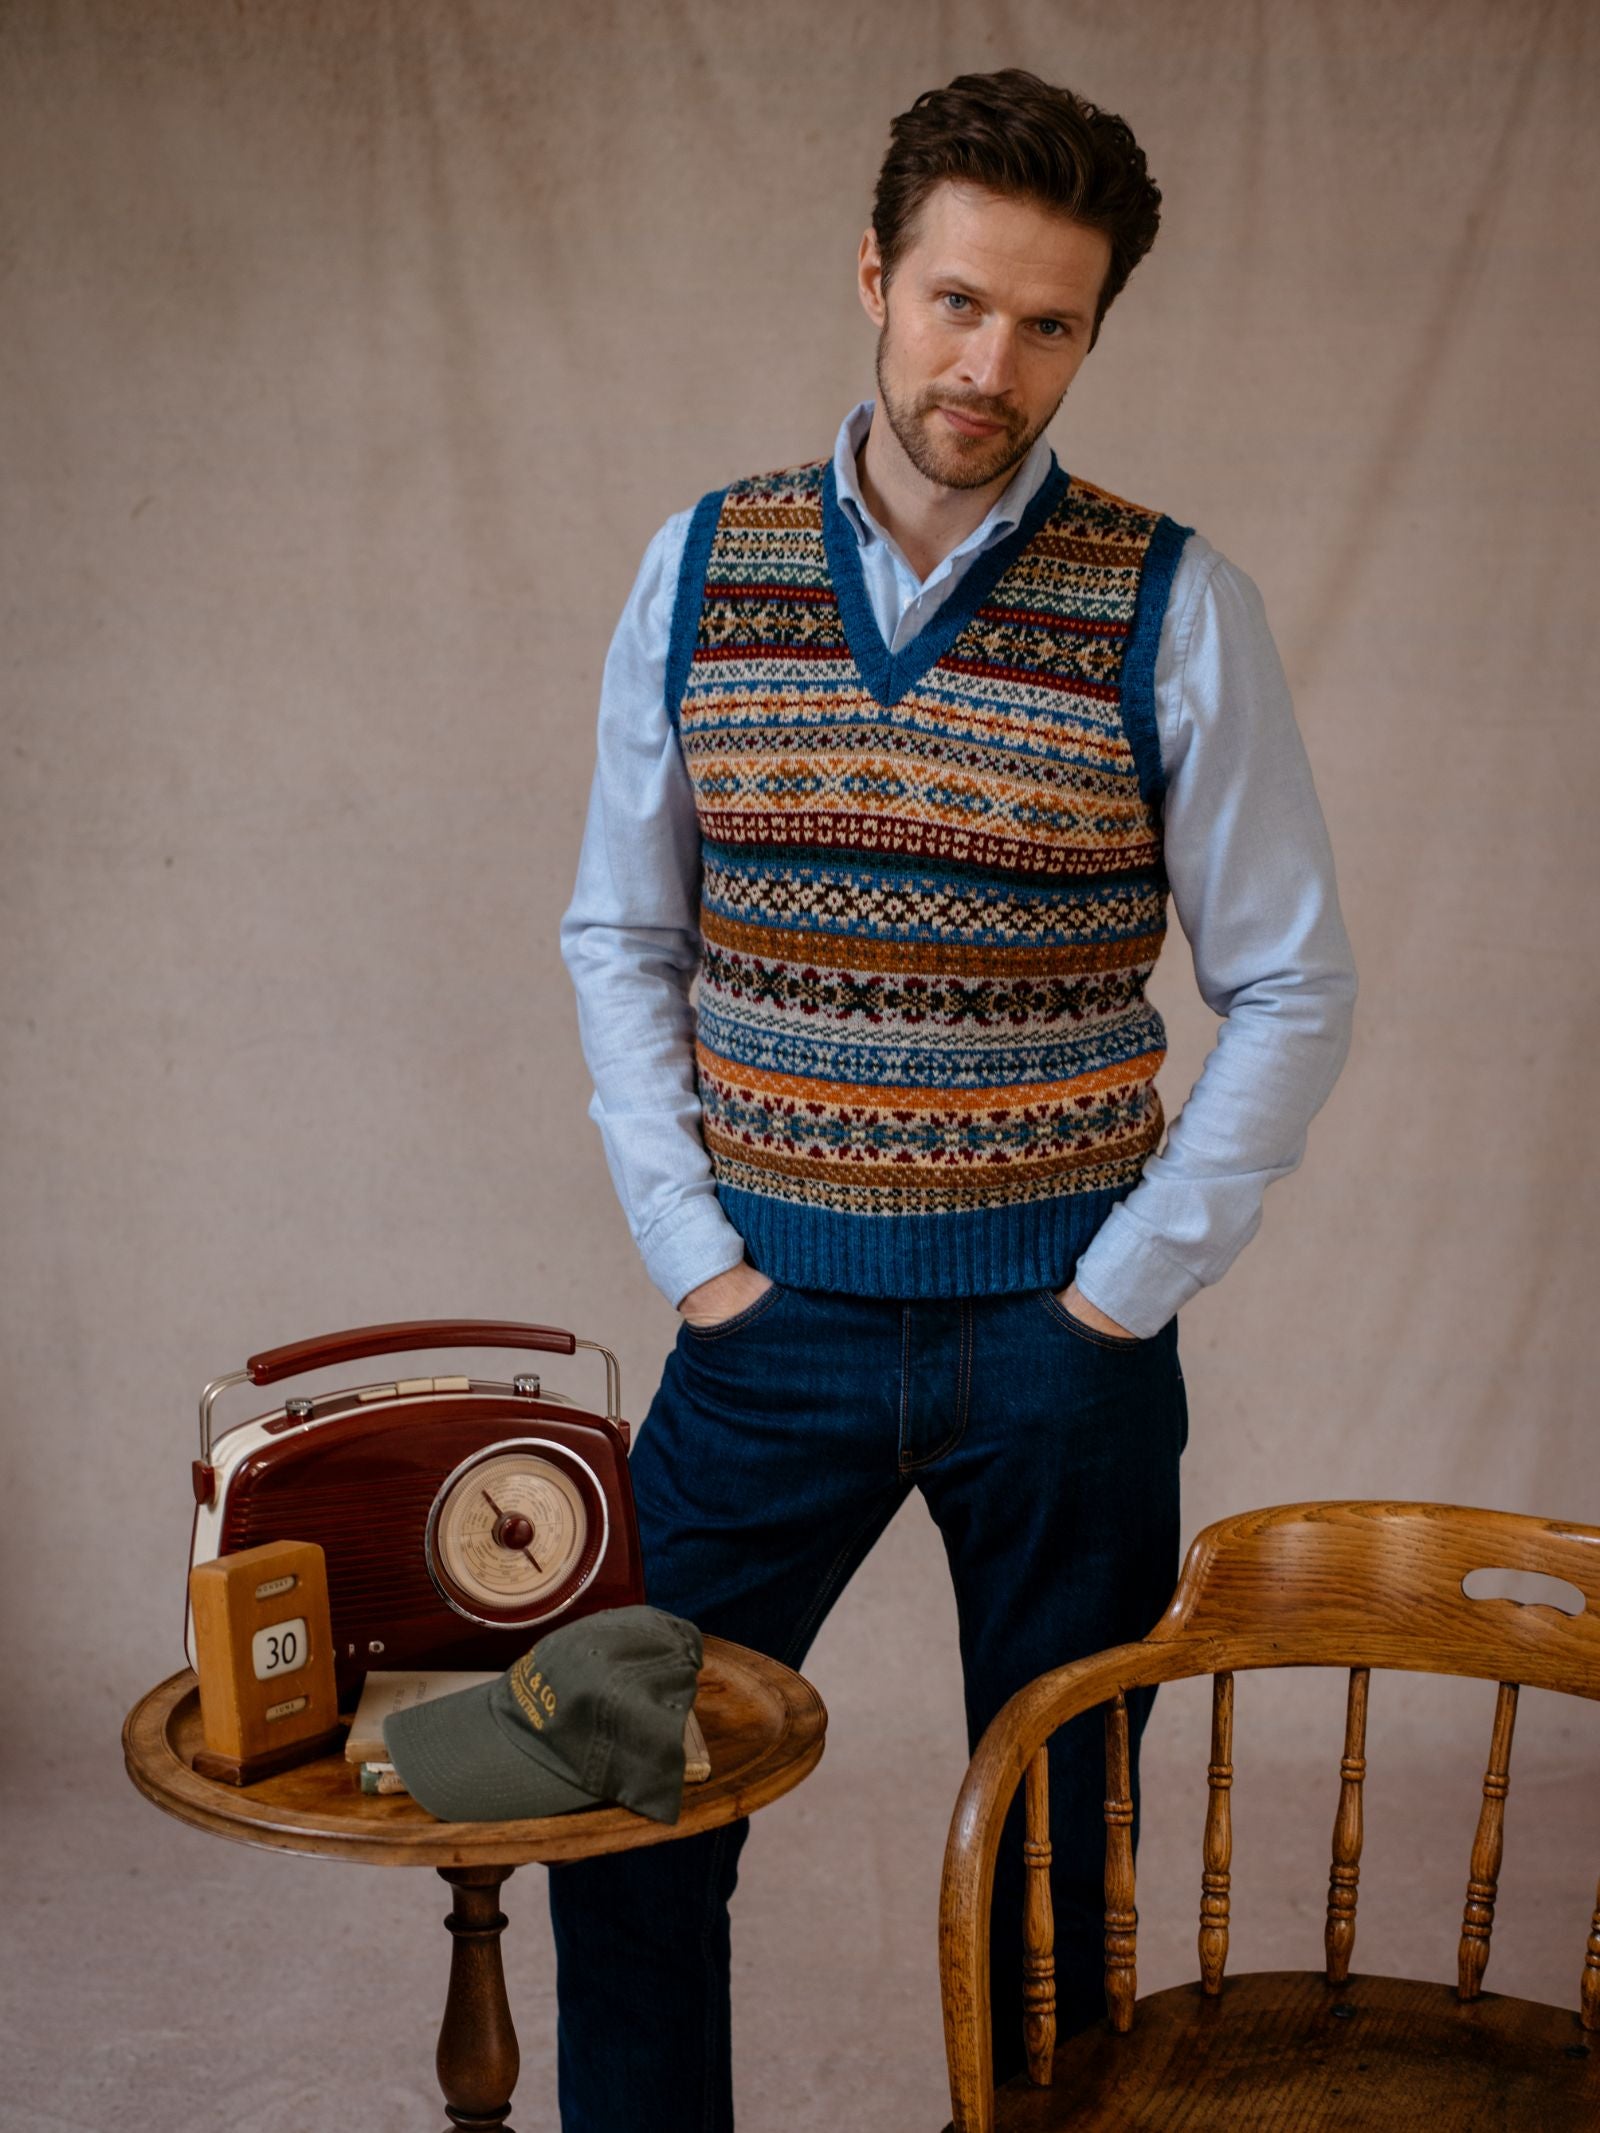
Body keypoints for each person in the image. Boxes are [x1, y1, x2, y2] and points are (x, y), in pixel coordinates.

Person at [555, 66, 1355, 2132]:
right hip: (761, 1338)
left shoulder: (1172, 605)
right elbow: (620, 935)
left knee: (1055, 1880)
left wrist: (1121, 1288)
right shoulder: (700, 564)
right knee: (619, 1800)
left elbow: (1286, 978)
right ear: (871, 278)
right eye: (952, 302)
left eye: (1046, 321)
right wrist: (692, 1256)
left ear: (1092, 332)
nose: (985, 362)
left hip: (1056, 1355)